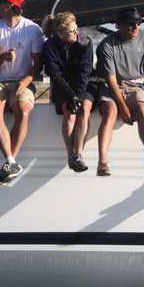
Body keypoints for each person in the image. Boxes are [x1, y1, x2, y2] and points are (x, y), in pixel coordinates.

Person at [0, 0, 44, 185]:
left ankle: (10, 163)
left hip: (23, 79)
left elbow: (38, 65)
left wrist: (25, 81)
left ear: (10, 6)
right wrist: (3, 57)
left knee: (23, 111)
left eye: (0, 2)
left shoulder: (33, 29)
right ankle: (10, 162)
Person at [96, 7, 144, 176]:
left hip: (135, 86)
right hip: (112, 87)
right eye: (131, 24)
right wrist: (123, 107)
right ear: (119, 25)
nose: (136, 27)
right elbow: (111, 81)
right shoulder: (106, 46)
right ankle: (102, 162)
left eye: (138, 23)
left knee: (142, 110)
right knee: (110, 113)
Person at [41, 12, 94, 172]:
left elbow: (85, 72)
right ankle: (70, 154)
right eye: (71, 31)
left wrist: (77, 95)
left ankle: (78, 154)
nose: (76, 33)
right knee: (70, 112)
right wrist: (71, 96)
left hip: (83, 85)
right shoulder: (49, 46)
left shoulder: (85, 42)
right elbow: (55, 74)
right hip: (62, 87)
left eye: (76, 29)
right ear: (60, 33)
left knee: (84, 108)